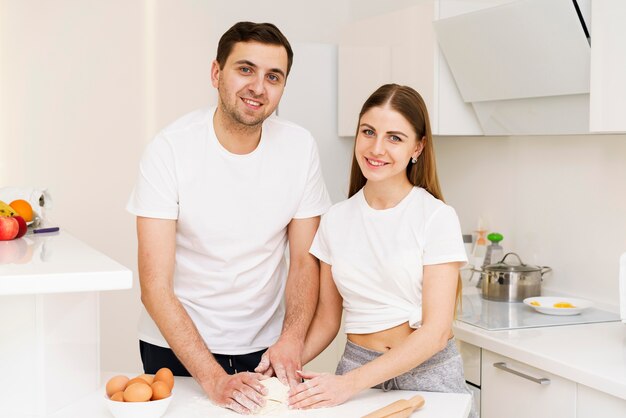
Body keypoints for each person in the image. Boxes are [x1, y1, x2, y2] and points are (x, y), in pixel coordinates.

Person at [126, 21, 331, 414]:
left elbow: (305, 262)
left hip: (265, 349)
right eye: (245, 69)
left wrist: (292, 338)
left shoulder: (299, 148)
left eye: (273, 76)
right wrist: (212, 377)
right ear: (216, 72)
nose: (258, 86)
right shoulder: (169, 150)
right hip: (176, 350)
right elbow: (154, 286)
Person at [287, 84, 477, 418]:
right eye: (368, 132)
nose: (376, 148)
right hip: (357, 369)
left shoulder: (435, 217)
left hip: (428, 375)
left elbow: (436, 333)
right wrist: (284, 363)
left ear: (417, 147)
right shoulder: (335, 219)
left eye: (395, 137)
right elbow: (328, 319)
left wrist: (348, 384)